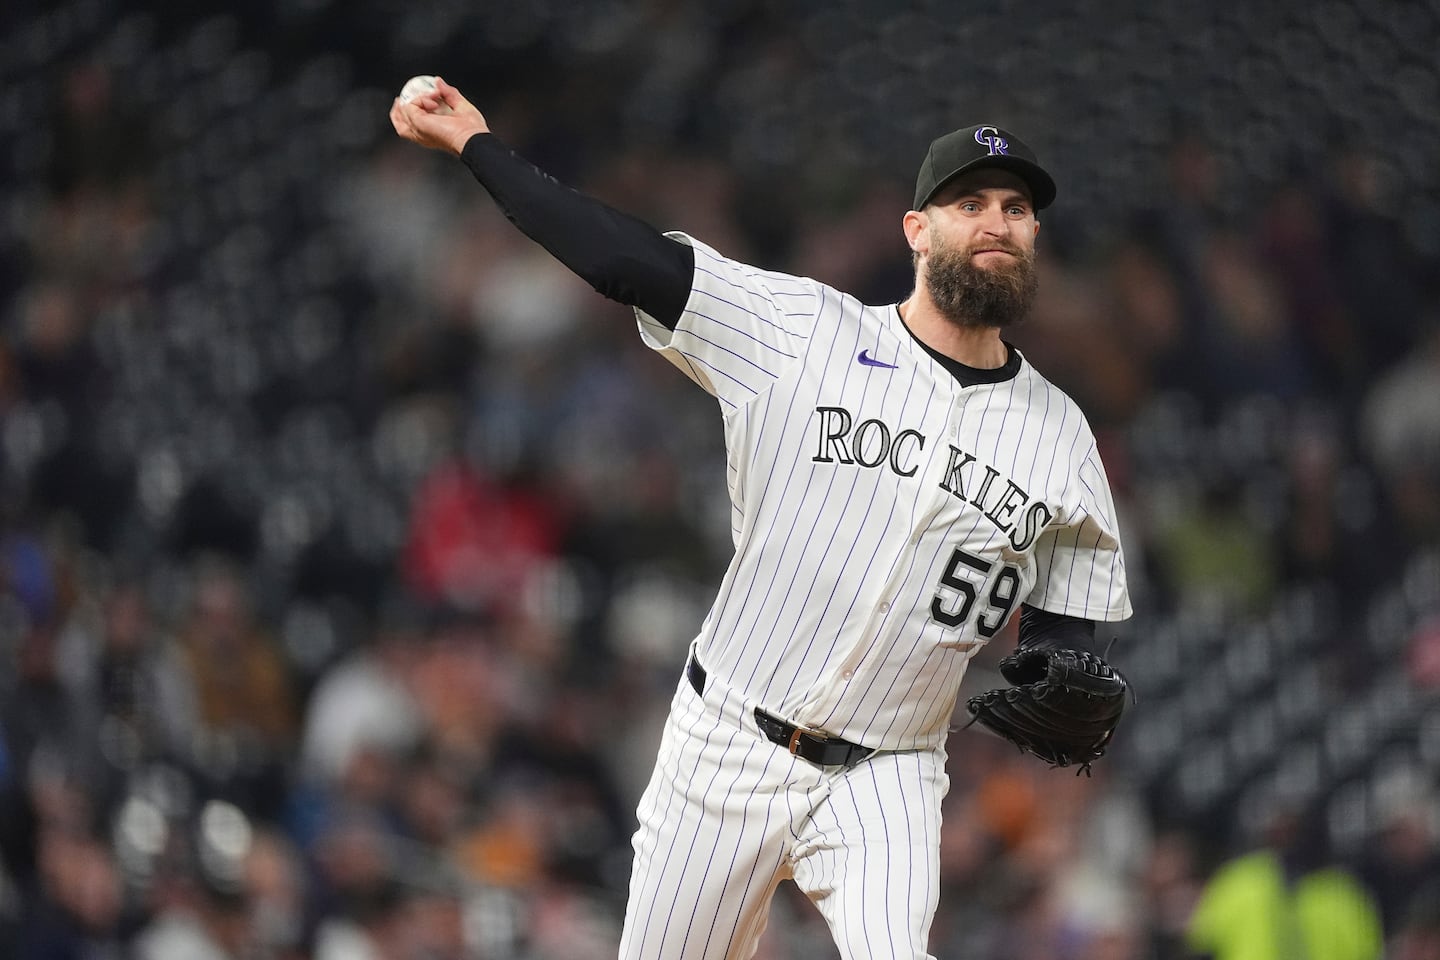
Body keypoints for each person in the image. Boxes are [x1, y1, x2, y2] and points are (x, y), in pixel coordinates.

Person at [390, 77, 1132, 960]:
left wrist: (1054, 657)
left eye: (1016, 208)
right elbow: (625, 259)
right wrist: (478, 143)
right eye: (969, 202)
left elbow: (1064, 623)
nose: (996, 222)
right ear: (917, 230)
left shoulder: (1063, 438)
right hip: (728, 740)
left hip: (888, 772)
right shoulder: (804, 331)